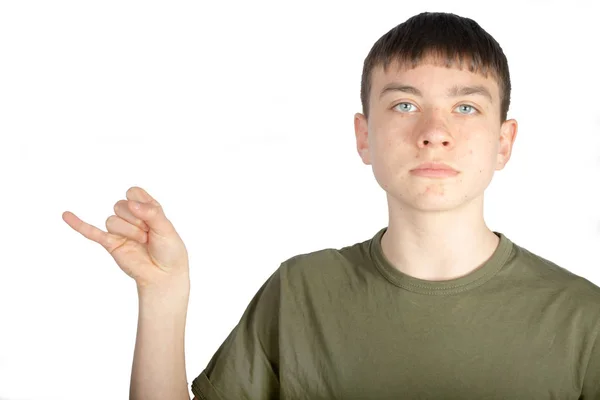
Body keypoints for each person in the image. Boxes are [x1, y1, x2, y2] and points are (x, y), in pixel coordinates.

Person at [62, 11, 600, 400]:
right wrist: (162, 295)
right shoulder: (299, 292)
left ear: (504, 141)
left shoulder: (584, 319)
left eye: (464, 106)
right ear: (364, 137)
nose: (435, 133)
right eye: (405, 104)